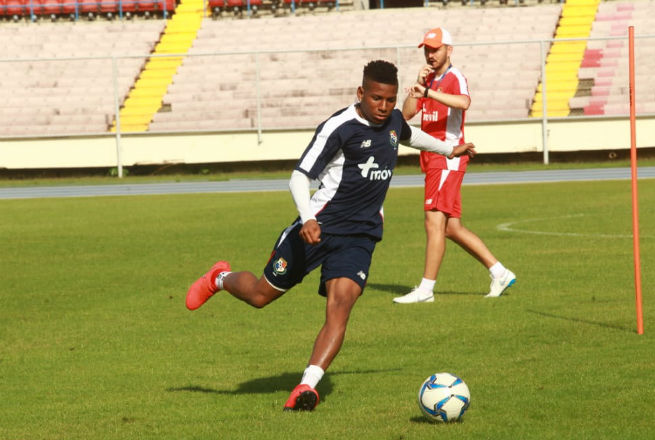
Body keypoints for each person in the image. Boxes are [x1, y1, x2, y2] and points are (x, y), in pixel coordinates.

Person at [185, 60, 476, 412]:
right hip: (317, 229)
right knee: (261, 295)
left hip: (361, 236)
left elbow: (411, 136)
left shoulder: (395, 122)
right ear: (360, 93)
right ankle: (220, 277)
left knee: (340, 306)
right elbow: (298, 176)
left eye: (390, 99)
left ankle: (306, 387)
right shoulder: (339, 127)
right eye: (376, 98)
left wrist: (450, 149)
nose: (384, 107)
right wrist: (307, 218)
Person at [392, 27, 516, 304]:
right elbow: (407, 114)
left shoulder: (453, 77)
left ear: (449, 49)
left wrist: (430, 92)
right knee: (451, 228)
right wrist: (418, 86)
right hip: (434, 157)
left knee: (433, 222)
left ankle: (426, 290)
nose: (430, 53)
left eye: (435, 48)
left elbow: (464, 101)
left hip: (447, 157)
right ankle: (499, 272)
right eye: (427, 48)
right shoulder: (429, 79)